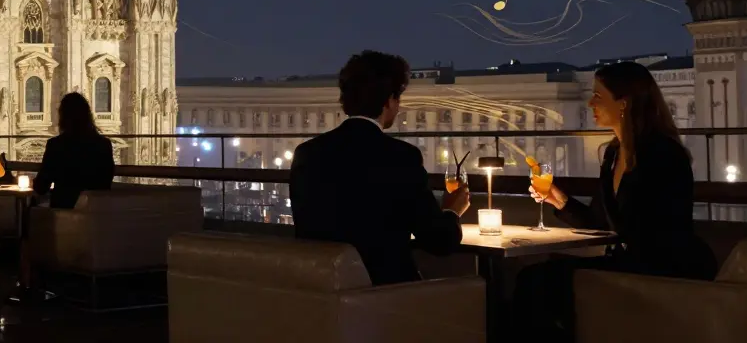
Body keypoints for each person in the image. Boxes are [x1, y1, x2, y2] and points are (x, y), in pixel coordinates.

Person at [513, 61, 717, 342]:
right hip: (630, 264)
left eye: (598, 95)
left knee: (537, 284)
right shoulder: (613, 156)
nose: (590, 102)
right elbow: (600, 222)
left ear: (624, 103)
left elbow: (657, 230)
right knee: (536, 281)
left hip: (662, 269)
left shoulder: (663, 155)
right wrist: (558, 200)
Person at [289, 50, 470, 285]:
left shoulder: (306, 153)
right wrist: (452, 210)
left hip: (321, 291)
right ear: (389, 101)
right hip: (385, 296)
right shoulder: (400, 156)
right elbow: (439, 241)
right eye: (398, 99)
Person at [33, 92, 115, 209]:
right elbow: (106, 183)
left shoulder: (56, 145)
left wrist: (33, 182)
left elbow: (41, 187)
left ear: (63, 117)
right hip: (94, 214)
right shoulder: (104, 144)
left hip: (63, 213)